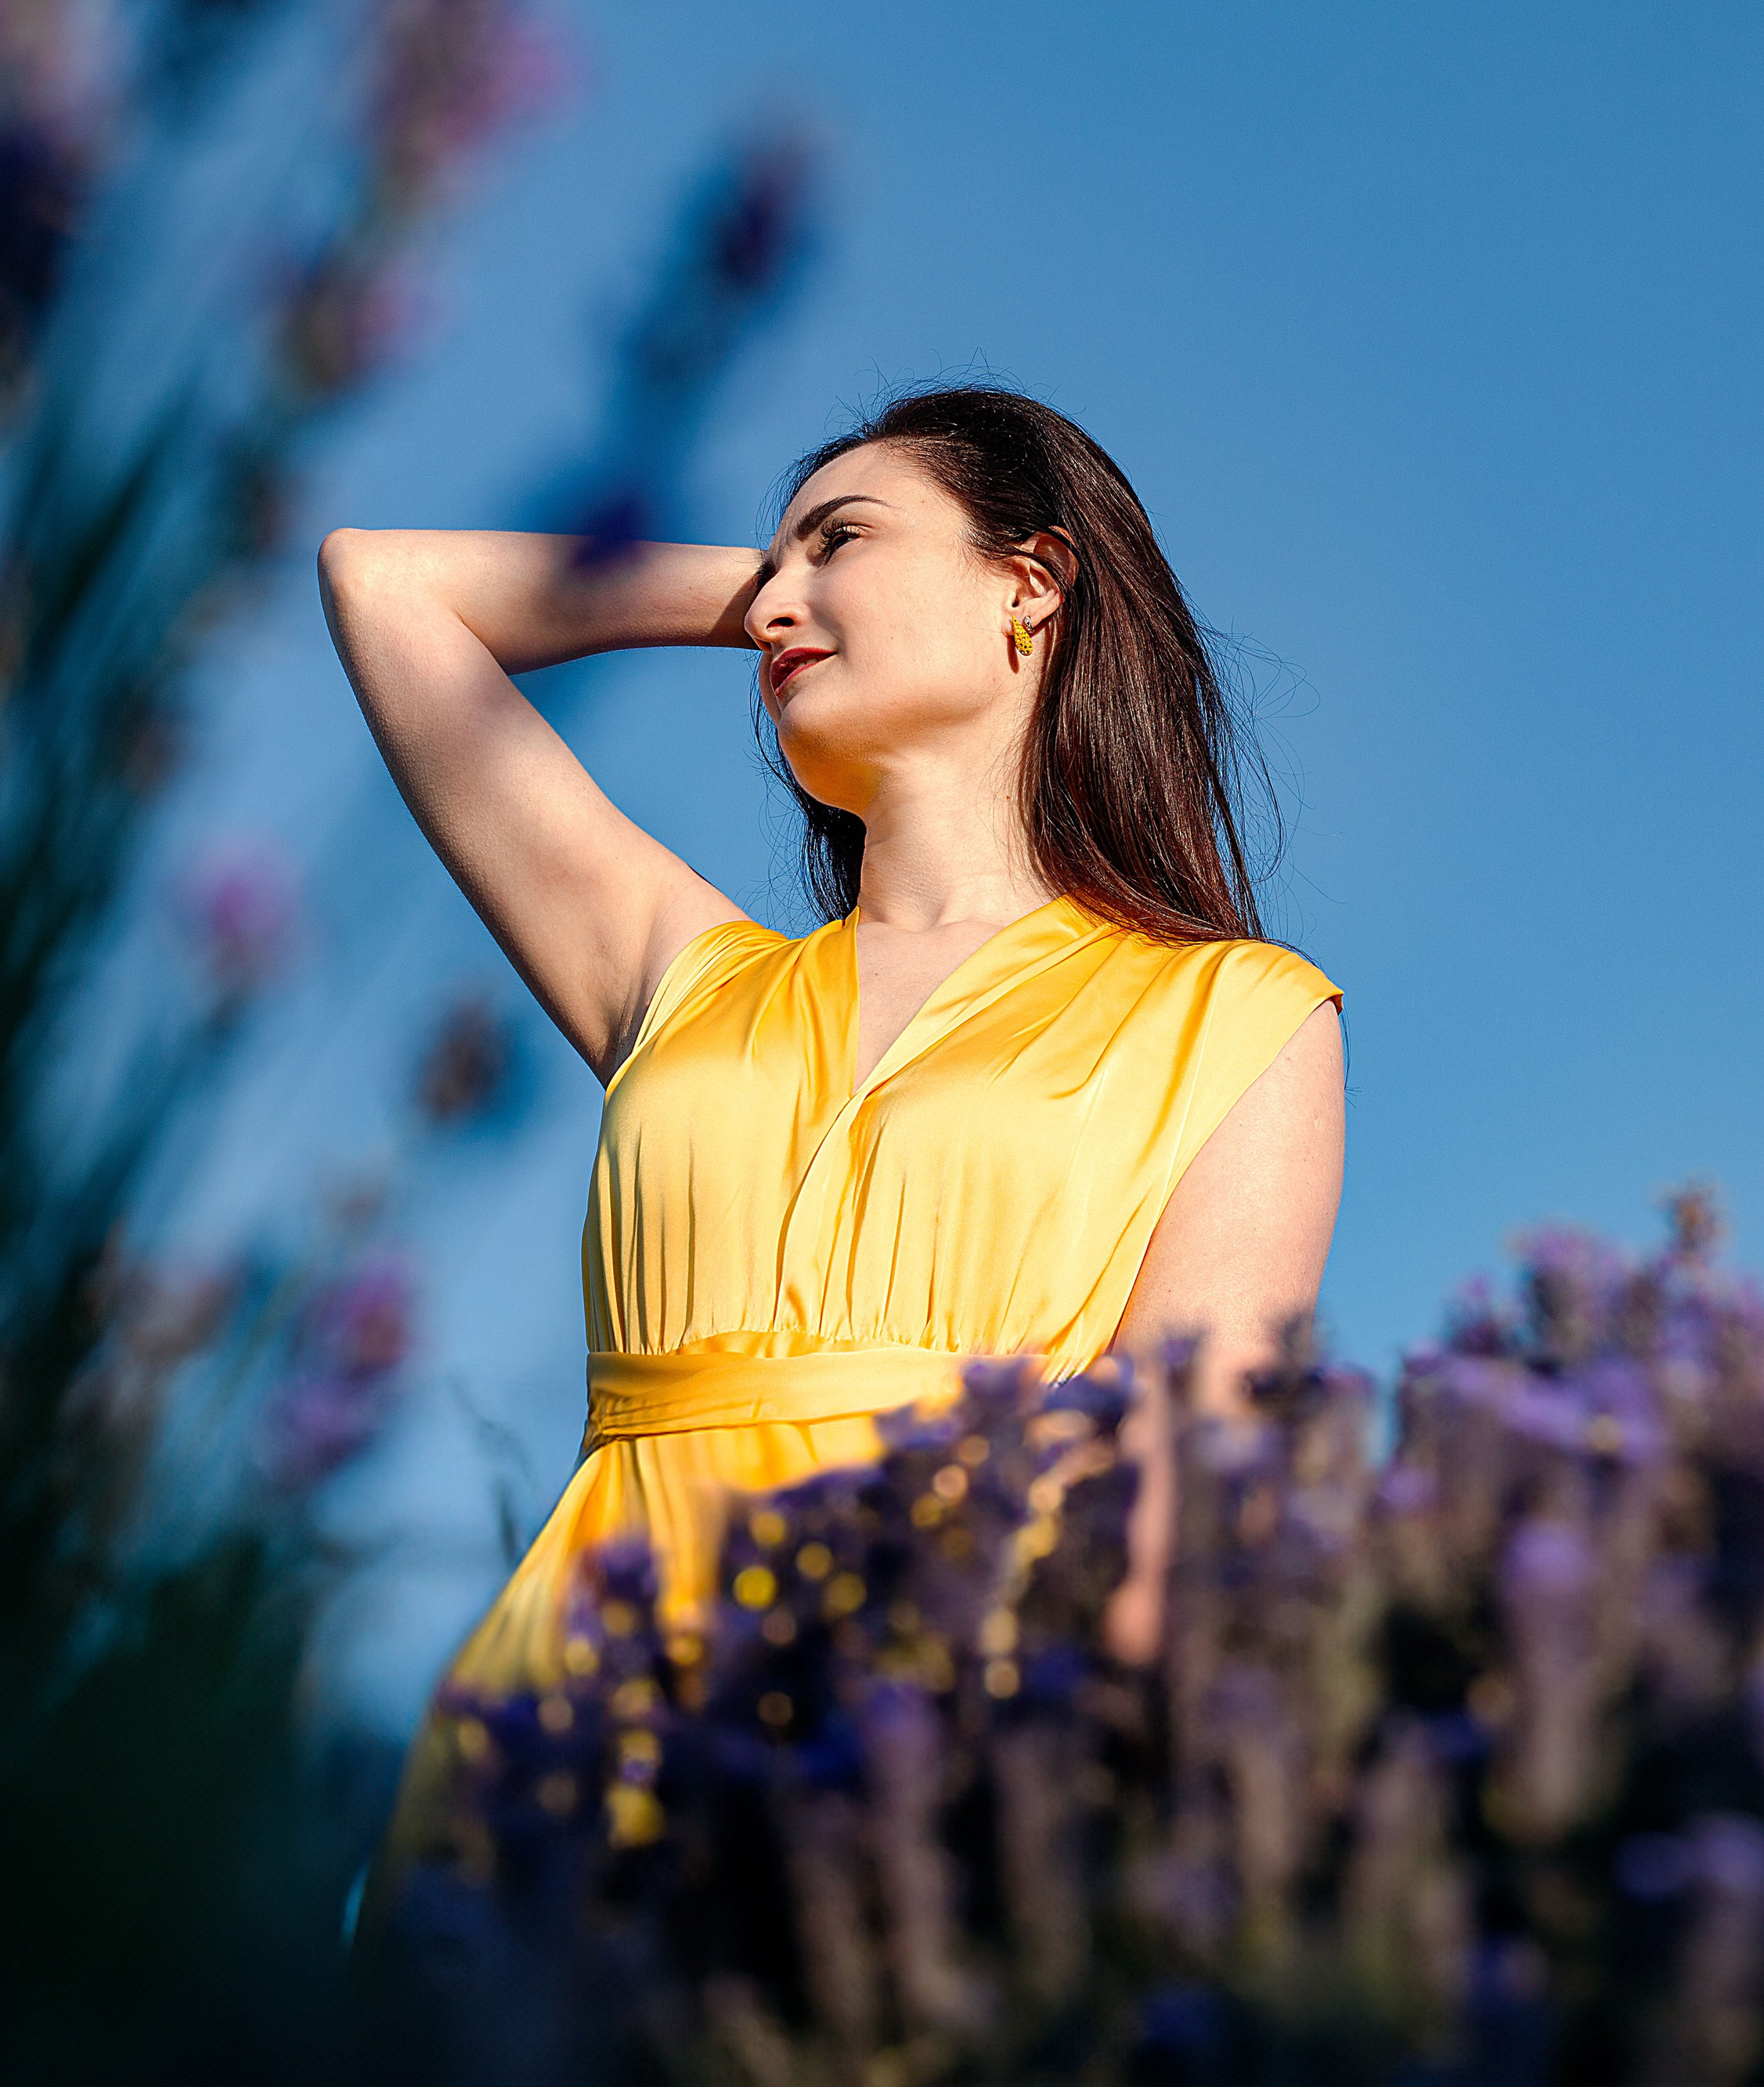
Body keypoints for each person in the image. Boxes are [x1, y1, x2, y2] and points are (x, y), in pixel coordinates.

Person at [319, 383, 1344, 1868]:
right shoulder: (680, 970)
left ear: (1030, 583)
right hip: (568, 1719)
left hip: (930, 1751)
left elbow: (1179, 1515)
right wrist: (775, 596)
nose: (783, 597)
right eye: (771, 567)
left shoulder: (1237, 1016)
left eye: (841, 538)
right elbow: (385, 580)